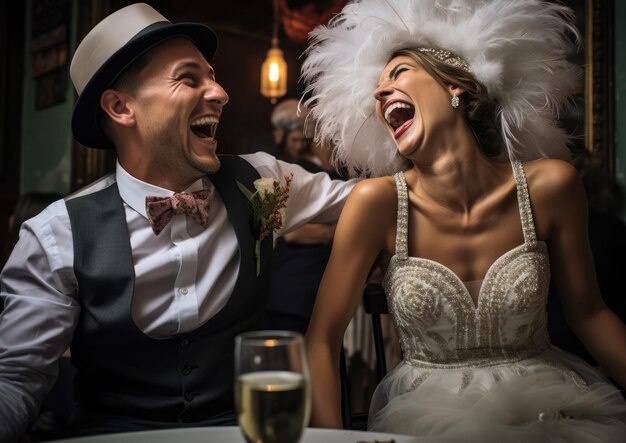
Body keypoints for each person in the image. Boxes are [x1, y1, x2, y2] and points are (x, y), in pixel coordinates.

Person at [0, 4, 354, 442]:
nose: (221, 92)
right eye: (190, 78)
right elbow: (16, 378)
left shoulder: (261, 182)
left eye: (213, 75)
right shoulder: (56, 235)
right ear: (120, 107)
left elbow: (367, 201)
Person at [301, 0, 626, 441]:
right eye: (376, 88)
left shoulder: (550, 187)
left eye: (398, 74)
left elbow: (589, 313)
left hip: (548, 409)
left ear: (459, 87)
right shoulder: (375, 204)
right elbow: (322, 339)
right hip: (424, 419)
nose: (380, 93)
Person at [265, 99, 341, 334]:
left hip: (315, 289)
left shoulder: (335, 173)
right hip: (293, 288)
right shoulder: (302, 173)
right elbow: (293, 234)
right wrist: (335, 233)